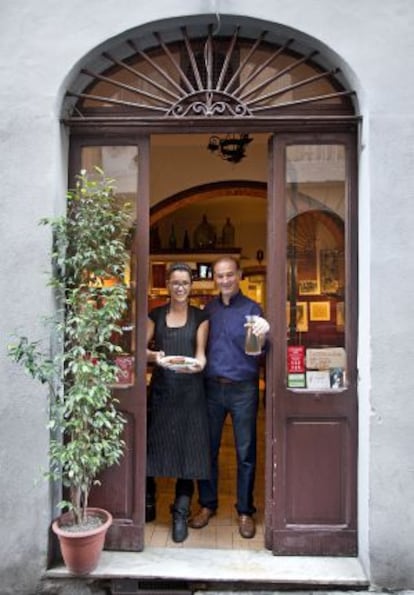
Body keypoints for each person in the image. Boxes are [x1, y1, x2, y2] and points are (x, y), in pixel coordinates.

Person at [189, 256, 269, 539]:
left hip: (243, 389)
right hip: (211, 388)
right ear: (215, 279)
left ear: (239, 275)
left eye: (229, 275)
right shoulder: (208, 310)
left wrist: (264, 333)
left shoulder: (252, 310)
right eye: (220, 276)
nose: (224, 280)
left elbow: (258, 351)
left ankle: (245, 511)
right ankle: (207, 505)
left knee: (245, 453)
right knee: (207, 449)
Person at [146, 262, 210, 543]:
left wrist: (198, 365)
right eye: (175, 282)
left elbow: (200, 354)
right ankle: (148, 501)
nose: (180, 287)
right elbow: (140, 348)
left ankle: (180, 512)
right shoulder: (155, 315)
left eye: (185, 283)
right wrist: (154, 358)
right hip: (162, 392)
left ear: (191, 286)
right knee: (154, 449)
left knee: (189, 453)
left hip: (191, 393)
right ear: (168, 285)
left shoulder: (201, 317)